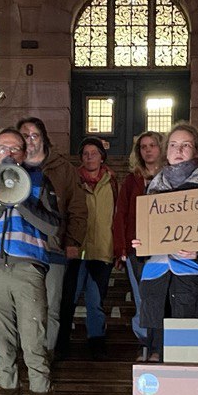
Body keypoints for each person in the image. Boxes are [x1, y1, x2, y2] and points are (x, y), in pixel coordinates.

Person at [0, 128, 69, 395]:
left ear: (23, 154)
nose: (9, 154)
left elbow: (53, 226)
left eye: (15, 149)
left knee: (34, 345)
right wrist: (0, 204)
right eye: (3, 148)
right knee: (1, 346)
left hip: (28, 269)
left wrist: (22, 200)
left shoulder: (39, 183)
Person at [131, 122, 198, 357]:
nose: (179, 149)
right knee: (159, 362)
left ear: (196, 151)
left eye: (186, 145)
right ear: (166, 152)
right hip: (157, 285)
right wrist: (142, 246)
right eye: (174, 145)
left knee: (192, 360)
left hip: (196, 283)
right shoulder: (153, 188)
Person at [17, 117, 89, 356]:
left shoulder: (64, 168)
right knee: (21, 306)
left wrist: (73, 242)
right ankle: (23, 356)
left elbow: (77, 207)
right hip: (20, 248)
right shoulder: (11, 167)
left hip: (53, 247)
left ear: (44, 138)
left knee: (51, 306)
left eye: (34, 135)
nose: (29, 140)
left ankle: (45, 356)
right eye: (24, 136)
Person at [57, 136, 119, 360]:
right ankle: (62, 341)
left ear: (102, 156)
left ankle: (96, 342)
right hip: (76, 248)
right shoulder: (72, 180)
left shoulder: (113, 181)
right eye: (85, 153)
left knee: (95, 300)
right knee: (69, 298)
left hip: (102, 250)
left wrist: (118, 247)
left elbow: (117, 216)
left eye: (94, 153)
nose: (89, 157)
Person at [115, 130, 164, 360]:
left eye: (152, 145)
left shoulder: (170, 177)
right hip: (137, 249)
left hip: (164, 248)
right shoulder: (131, 180)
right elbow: (121, 214)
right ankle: (144, 343)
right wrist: (121, 247)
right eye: (143, 146)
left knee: (160, 299)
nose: (148, 150)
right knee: (141, 298)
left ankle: (158, 347)